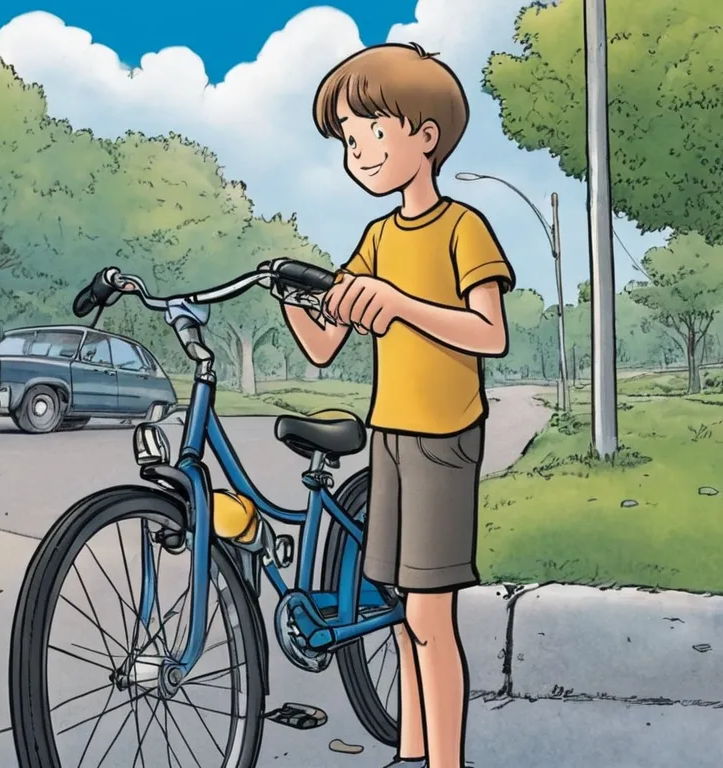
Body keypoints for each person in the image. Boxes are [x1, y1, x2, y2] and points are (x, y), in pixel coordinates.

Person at [273, 42, 514, 768]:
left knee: (429, 615)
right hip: (391, 437)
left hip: (444, 437)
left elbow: (489, 333)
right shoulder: (375, 238)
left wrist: (402, 304)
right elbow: (323, 345)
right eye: (350, 139)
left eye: (373, 131)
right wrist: (294, 301)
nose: (361, 152)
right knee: (403, 616)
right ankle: (412, 755)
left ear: (425, 137)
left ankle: (445, 761)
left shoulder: (460, 227)